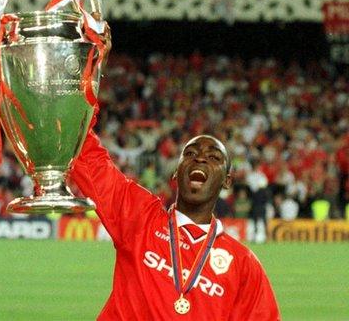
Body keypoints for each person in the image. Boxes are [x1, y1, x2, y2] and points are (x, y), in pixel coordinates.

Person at [70, 125, 280, 319]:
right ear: (176, 172)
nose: (200, 159)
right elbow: (88, 157)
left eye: (214, 157)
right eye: (190, 154)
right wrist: (84, 91)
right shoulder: (140, 217)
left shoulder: (243, 264)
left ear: (227, 181)